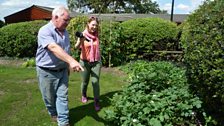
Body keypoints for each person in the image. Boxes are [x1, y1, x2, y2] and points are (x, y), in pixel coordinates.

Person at [36, 6, 83, 126]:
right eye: (65, 20)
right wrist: (72, 61)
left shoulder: (65, 32)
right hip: (47, 72)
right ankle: (53, 112)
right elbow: (53, 47)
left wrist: (67, 65)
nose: (68, 23)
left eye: (68, 20)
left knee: (62, 96)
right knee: (49, 98)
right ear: (55, 17)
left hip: (62, 70)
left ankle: (63, 122)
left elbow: (65, 50)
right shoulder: (45, 30)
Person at [75, 16, 102, 111]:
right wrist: (81, 41)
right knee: (85, 82)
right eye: (93, 25)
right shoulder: (83, 34)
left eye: (96, 25)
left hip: (96, 62)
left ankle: (97, 101)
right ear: (88, 24)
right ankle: (84, 94)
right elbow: (76, 47)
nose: (94, 27)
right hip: (84, 62)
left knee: (95, 82)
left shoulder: (97, 34)